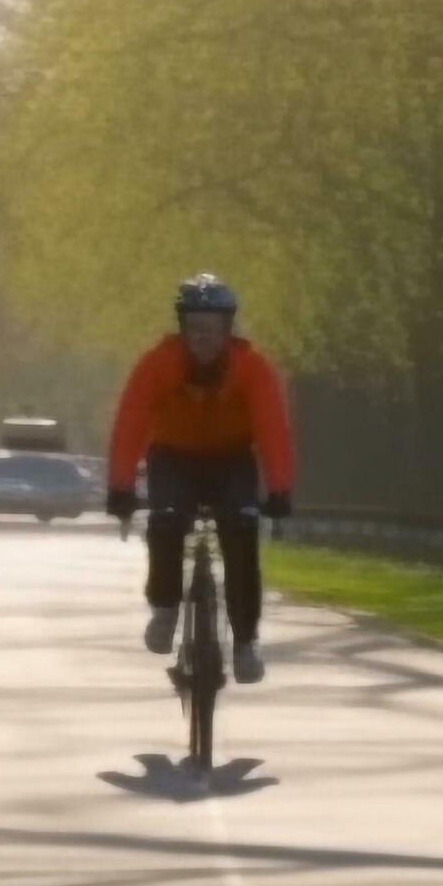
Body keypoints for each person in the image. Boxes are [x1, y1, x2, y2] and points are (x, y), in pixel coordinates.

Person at [106, 273, 296, 684]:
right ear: (182, 329)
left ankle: (245, 642)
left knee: (243, 532)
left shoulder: (252, 369)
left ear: (227, 330)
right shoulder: (158, 364)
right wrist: (120, 486)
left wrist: (279, 488)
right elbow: (131, 424)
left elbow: (271, 429)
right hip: (173, 457)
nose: (202, 338)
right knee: (167, 520)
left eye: (211, 329)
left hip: (231, 460)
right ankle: (165, 607)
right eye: (194, 328)